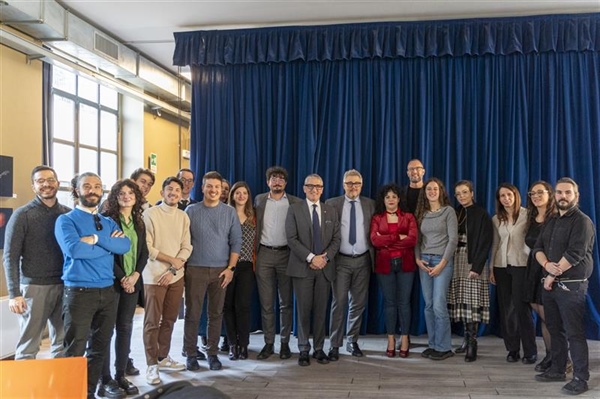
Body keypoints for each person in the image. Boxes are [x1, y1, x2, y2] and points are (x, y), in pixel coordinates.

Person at [54, 172, 131, 399]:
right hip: (79, 292)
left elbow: (124, 246)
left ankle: (88, 392)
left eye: (97, 186)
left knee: (99, 347)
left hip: (108, 291)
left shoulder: (108, 221)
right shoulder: (66, 220)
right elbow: (74, 250)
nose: (93, 190)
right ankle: (71, 393)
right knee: (75, 349)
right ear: (76, 190)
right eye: (87, 186)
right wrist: (109, 245)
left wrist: (97, 240)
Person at [533, 177, 595, 395]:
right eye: (559, 192)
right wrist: (547, 265)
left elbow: (575, 253)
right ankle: (558, 369)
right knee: (554, 329)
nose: (563, 196)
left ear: (576, 196)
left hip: (571, 285)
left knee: (574, 333)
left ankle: (581, 378)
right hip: (551, 284)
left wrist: (550, 275)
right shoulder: (551, 220)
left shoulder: (582, 221)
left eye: (568, 192)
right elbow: (538, 248)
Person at [3, 166, 69, 360]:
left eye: (50, 180)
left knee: (62, 343)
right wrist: (14, 293)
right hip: (34, 287)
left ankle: (59, 387)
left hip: (64, 285)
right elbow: (10, 256)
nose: (46, 184)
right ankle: (23, 390)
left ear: (57, 183)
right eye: (40, 181)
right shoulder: (22, 215)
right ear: (33, 186)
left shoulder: (67, 214)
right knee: (29, 345)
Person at [184, 171, 242, 372]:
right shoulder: (191, 211)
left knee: (216, 314)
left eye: (217, 187)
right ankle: (190, 354)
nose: (213, 190)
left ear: (222, 190)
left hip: (221, 271)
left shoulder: (229, 212)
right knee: (192, 313)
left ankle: (212, 354)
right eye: (209, 186)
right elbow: (183, 241)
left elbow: (236, 242)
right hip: (195, 269)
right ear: (202, 188)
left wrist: (230, 269)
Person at [97, 180, 148, 397]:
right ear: (115, 197)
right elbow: (106, 253)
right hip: (112, 283)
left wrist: (135, 276)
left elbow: (143, 252)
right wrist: (123, 278)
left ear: (136, 197)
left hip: (133, 282)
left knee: (125, 328)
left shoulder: (139, 221)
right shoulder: (108, 220)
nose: (126, 196)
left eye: (130, 193)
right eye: (121, 193)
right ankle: (105, 379)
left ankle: (120, 375)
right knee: (105, 331)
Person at [286, 173, 341, 366]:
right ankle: (303, 349)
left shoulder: (330, 211)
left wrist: (324, 258)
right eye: (310, 186)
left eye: (318, 186)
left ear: (322, 189)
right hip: (302, 267)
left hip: (324, 268)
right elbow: (291, 239)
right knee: (303, 310)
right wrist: (311, 258)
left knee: (320, 310)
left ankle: (319, 349)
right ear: (304, 188)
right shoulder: (294, 210)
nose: (314, 190)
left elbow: (336, 239)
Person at [142, 177, 192, 385]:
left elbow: (187, 247)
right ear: (162, 192)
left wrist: (173, 268)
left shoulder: (183, 216)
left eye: (177, 190)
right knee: (152, 322)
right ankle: (151, 364)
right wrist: (171, 261)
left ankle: (163, 357)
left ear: (182, 194)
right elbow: (148, 247)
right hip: (153, 276)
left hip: (175, 276)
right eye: (169, 189)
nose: (173, 193)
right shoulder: (150, 214)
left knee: (170, 320)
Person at [325, 169, 375, 359]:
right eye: (349, 183)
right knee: (339, 303)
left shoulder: (370, 204)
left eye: (356, 183)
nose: (353, 187)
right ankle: (335, 345)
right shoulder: (332, 204)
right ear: (343, 185)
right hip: (340, 261)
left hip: (363, 260)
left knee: (358, 303)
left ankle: (352, 341)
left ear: (361, 185)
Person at [254, 166, 302, 360]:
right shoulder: (258, 200)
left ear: (286, 183)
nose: (277, 181)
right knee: (266, 304)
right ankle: (268, 344)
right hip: (264, 254)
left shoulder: (295, 202)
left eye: (281, 178)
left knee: (285, 303)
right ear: (268, 182)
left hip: (286, 255)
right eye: (273, 178)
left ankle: (284, 344)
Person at [490, 183, 537, 364]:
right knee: (506, 309)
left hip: (521, 265)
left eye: (509, 195)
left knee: (521, 308)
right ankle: (512, 349)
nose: (506, 199)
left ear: (515, 196)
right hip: (502, 266)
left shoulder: (528, 215)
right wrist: (492, 268)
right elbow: (495, 243)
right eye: (502, 196)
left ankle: (530, 351)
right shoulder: (496, 219)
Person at [447, 180, 493, 362]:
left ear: (472, 193)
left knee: (472, 301)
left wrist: (477, 267)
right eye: (458, 194)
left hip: (473, 260)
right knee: (462, 301)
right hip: (456, 258)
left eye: (465, 192)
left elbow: (485, 242)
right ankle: (465, 340)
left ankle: (472, 343)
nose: (461, 196)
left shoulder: (481, 214)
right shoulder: (455, 212)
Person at [370, 184, 418, 358]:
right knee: (389, 303)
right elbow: (375, 241)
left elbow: (412, 240)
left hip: (406, 264)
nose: (391, 199)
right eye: (387, 197)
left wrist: (387, 241)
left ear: (399, 199)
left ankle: (404, 339)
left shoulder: (409, 217)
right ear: (383, 200)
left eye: (394, 196)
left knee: (404, 303)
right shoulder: (377, 218)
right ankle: (391, 340)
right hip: (384, 265)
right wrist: (398, 236)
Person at [414, 177, 458, 360]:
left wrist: (442, 264)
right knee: (429, 305)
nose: (431, 192)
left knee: (439, 305)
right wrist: (417, 259)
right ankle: (433, 344)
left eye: (435, 189)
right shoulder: (421, 213)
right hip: (424, 261)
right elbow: (417, 240)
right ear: (425, 193)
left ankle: (444, 347)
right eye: (428, 189)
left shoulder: (448, 212)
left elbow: (453, 240)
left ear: (441, 191)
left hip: (442, 261)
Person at [524, 181, 557, 372]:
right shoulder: (531, 216)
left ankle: (561, 357)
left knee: (550, 316)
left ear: (549, 194)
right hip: (532, 268)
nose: (535, 196)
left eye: (539, 192)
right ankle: (550, 355)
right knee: (540, 311)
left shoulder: (554, 218)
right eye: (532, 193)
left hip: (547, 269)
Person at [224, 181, 257, 361]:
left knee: (242, 306)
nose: (241, 196)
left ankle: (244, 344)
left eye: (244, 193)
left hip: (245, 266)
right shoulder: (226, 214)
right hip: (227, 266)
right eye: (238, 193)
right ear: (232, 195)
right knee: (227, 305)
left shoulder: (254, 216)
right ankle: (232, 344)